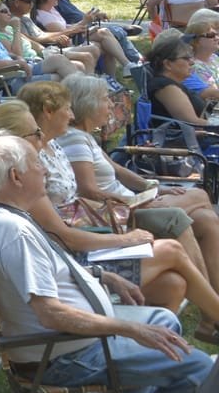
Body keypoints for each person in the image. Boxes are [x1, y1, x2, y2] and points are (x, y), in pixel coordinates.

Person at [0, 132, 212, 393]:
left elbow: (50, 276)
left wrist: (102, 275)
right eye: (37, 164)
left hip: (64, 341)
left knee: (163, 318)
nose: (46, 171)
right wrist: (129, 329)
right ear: (15, 176)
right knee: (196, 368)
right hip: (61, 354)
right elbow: (50, 314)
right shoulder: (14, 233)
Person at [0, 86, 219, 342]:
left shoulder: (53, 149)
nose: (71, 115)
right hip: (77, 265)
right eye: (34, 131)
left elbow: (76, 203)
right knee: (172, 249)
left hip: (86, 244)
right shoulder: (26, 178)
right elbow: (66, 236)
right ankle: (211, 317)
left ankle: (143, 351)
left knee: (174, 283)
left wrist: (129, 206)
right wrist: (126, 236)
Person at [59, 72, 219, 311]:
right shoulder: (75, 142)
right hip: (117, 214)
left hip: (127, 203)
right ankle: (210, 310)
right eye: (105, 99)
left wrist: (153, 187)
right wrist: (136, 201)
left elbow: (118, 170)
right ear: (88, 103)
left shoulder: (85, 137)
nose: (111, 106)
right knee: (198, 198)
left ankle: (212, 300)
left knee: (205, 219)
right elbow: (88, 191)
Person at [33, 0, 128, 76]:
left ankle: (113, 78)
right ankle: (125, 66)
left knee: (105, 40)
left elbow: (67, 27)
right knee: (104, 37)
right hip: (68, 42)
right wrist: (84, 21)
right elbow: (65, 33)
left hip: (76, 37)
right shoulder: (42, 16)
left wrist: (86, 23)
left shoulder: (52, 10)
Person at [0, 0, 82, 80]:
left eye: (8, 11)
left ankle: (87, 90)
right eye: (4, 11)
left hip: (39, 57)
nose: (9, 14)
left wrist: (47, 52)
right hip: (25, 66)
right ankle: (85, 91)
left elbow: (34, 43)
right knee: (65, 68)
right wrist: (16, 29)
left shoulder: (11, 27)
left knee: (80, 62)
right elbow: (17, 55)